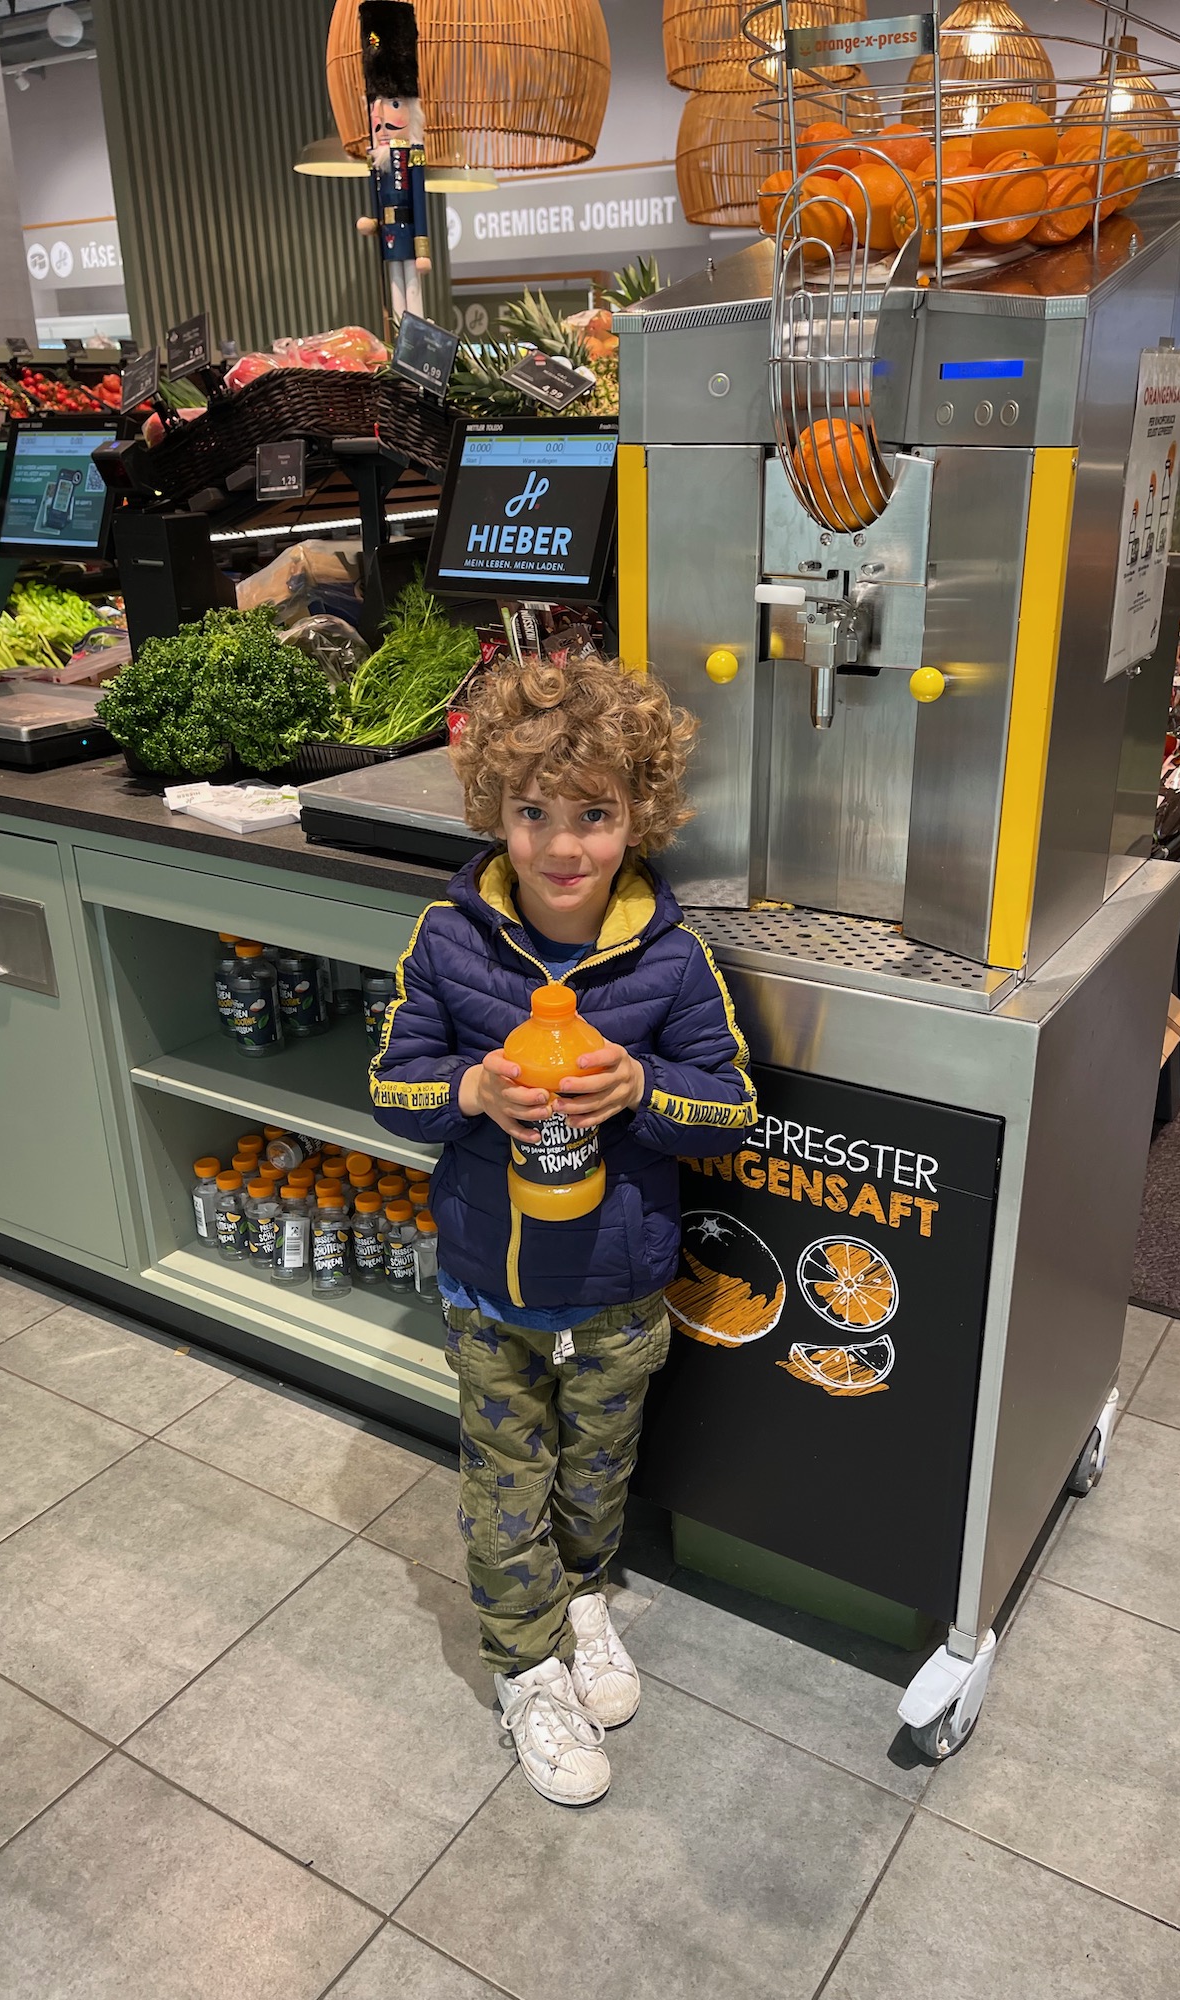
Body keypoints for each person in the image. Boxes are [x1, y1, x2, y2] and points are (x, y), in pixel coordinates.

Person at [370, 651, 757, 1806]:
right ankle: (527, 1663)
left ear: (642, 812)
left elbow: (729, 1107)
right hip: (491, 1288)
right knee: (504, 1482)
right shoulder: (450, 938)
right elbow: (391, 1083)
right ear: (495, 808)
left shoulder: (674, 960)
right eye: (533, 812)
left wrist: (641, 1087)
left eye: (596, 813)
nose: (562, 845)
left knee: (596, 1470)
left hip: (623, 1286)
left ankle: (584, 1590)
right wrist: (473, 1094)